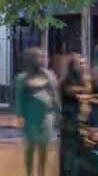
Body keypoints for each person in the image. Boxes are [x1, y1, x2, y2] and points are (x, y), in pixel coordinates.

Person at [15, 48, 61, 176]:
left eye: (42, 57)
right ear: (30, 59)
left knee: (44, 147)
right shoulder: (22, 78)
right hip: (30, 117)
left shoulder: (49, 75)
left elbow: (55, 96)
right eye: (38, 57)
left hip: (47, 116)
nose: (41, 59)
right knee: (30, 147)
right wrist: (19, 116)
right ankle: (29, 173)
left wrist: (59, 113)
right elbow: (19, 98)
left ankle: (41, 173)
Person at [59, 54, 91, 176]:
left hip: (83, 125)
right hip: (69, 125)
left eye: (84, 63)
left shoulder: (86, 81)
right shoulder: (65, 82)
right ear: (72, 66)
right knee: (68, 158)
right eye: (80, 63)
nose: (83, 66)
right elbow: (72, 92)